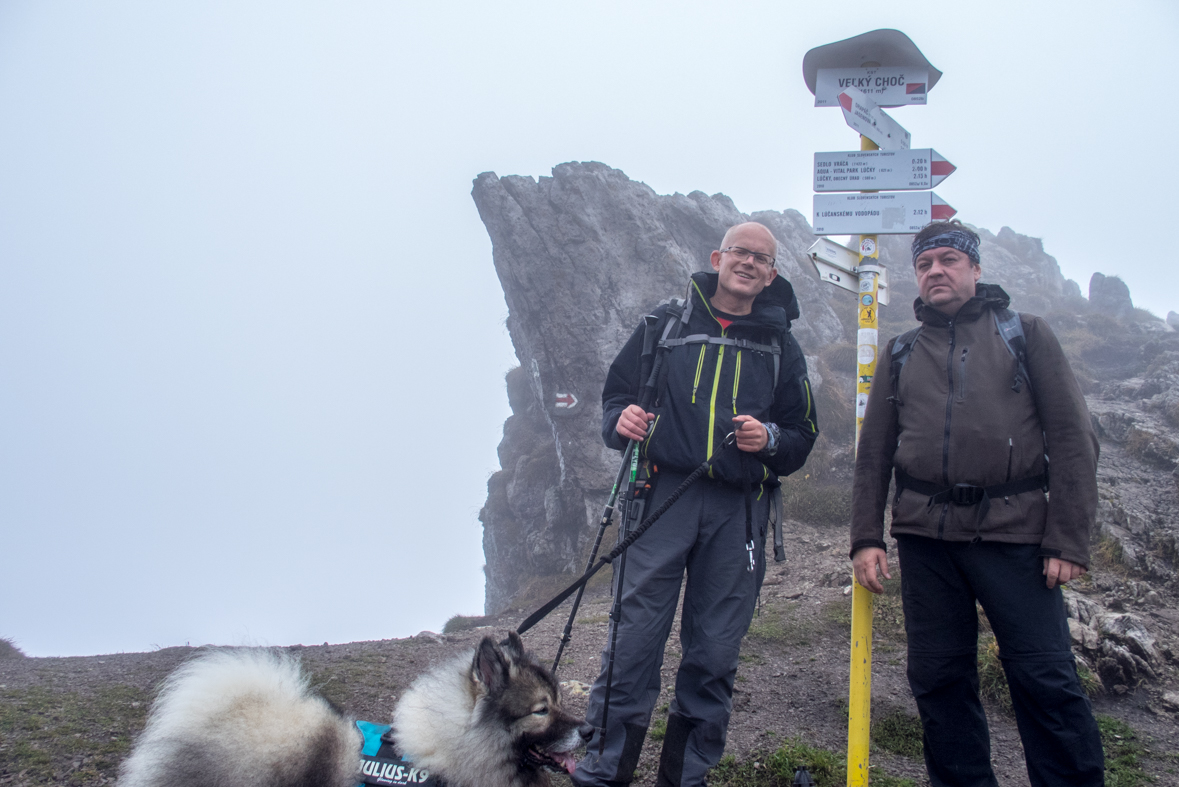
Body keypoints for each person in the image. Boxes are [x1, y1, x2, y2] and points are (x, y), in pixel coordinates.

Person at [850, 220, 1104, 787]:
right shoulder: (900, 349)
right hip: (925, 539)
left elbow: (1073, 438)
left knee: (1046, 680)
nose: (935, 271)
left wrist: (1067, 538)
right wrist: (866, 538)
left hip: (1015, 535)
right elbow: (874, 455)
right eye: (924, 264)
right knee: (939, 680)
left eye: (948, 260)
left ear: (975, 268)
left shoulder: (1025, 333)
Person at [574, 222, 818, 787]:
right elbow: (616, 396)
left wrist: (771, 440)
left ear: (772, 274)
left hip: (740, 511)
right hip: (658, 495)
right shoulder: (664, 324)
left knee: (713, 655)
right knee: (632, 641)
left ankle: (684, 779)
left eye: (762, 258)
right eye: (740, 252)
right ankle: (603, 770)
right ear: (717, 257)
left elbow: (802, 433)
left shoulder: (782, 344)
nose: (749, 263)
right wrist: (620, 422)